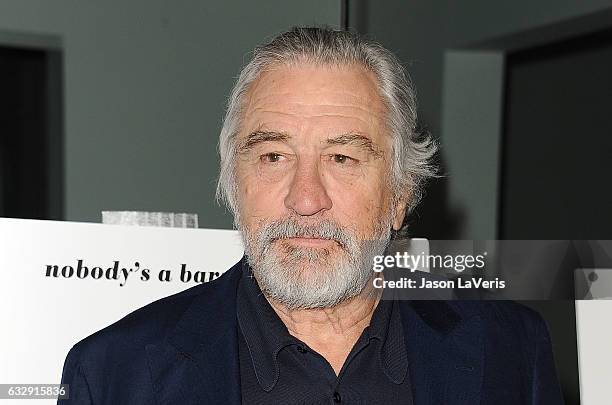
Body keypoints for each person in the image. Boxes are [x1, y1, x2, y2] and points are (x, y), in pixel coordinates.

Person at [58, 27, 563, 404]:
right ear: (233, 183)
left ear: (401, 194)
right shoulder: (112, 376)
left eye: (342, 159)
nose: (305, 198)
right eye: (273, 156)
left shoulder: (510, 349)